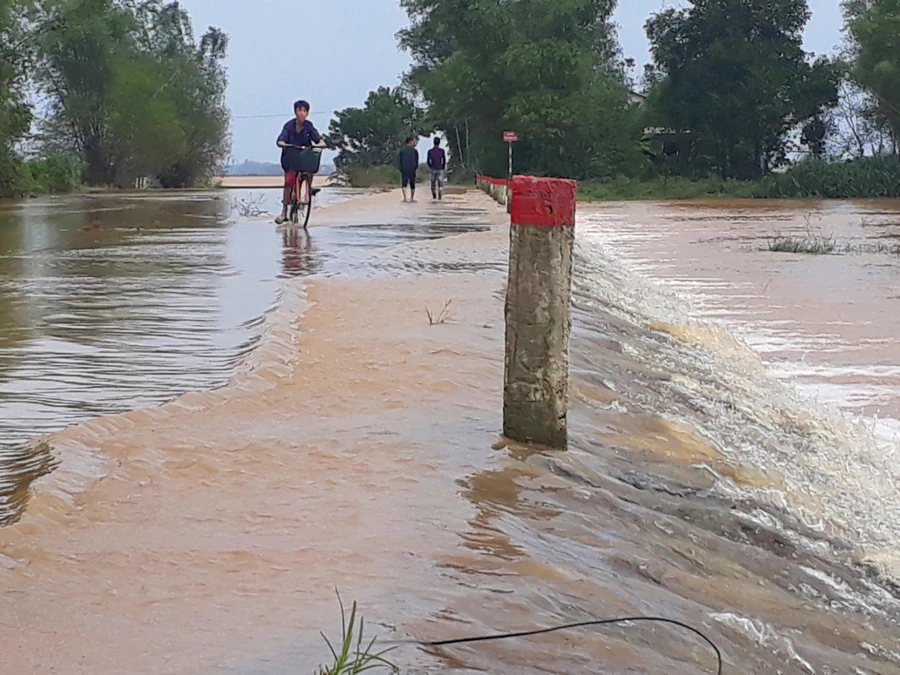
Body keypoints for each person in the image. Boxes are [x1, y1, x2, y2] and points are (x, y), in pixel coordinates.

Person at [275, 100, 326, 224]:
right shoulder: (289, 126)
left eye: (304, 110)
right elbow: (281, 139)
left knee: (309, 169)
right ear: (295, 112)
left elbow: (318, 139)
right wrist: (284, 144)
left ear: (307, 113)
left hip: (304, 156)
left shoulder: (309, 126)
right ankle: (284, 211)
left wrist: (321, 144)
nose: (302, 113)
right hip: (290, 157)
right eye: (299, 110)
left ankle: (309, 188)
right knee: (288, 183)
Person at [398, 137, 419, 203]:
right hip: (412, 169)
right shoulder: (415, 151)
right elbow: (416, 161)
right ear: (410, 142)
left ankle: (405, 198)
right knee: (412, 184)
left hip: (404, 169)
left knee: (404, 184)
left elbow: (400, 161)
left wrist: (401, 168)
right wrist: (415, 168)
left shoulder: (402, 151)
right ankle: (412, 198)